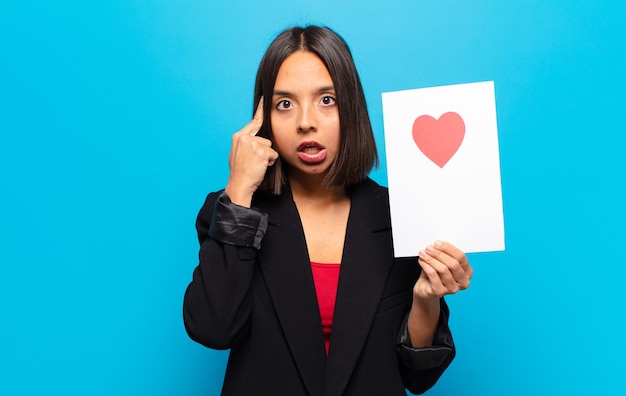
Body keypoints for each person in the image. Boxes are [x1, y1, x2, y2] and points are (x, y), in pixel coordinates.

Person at [183, 25, 473, 396]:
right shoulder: (231, 211)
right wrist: (238, 190)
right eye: (284, 104)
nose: (306, 121)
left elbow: (416, 376)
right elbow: (212, 329)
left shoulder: (401, 214)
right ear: (263, 118)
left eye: (327, 99)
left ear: (351, 108)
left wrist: (426, 299)